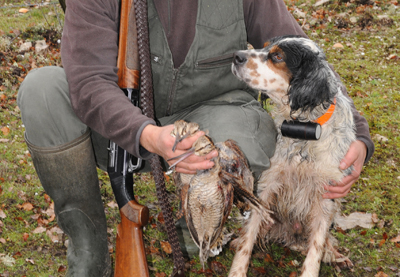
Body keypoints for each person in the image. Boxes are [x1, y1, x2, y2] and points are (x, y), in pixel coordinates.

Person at [17, 0, 374, 276]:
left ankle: (201, 227)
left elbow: (306, 58)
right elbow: (88, 81)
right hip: (120, 123)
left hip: (218, 110)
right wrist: (147, 134)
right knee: (42, 91)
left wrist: (357, 133)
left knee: (239, 150)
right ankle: (87, 241)